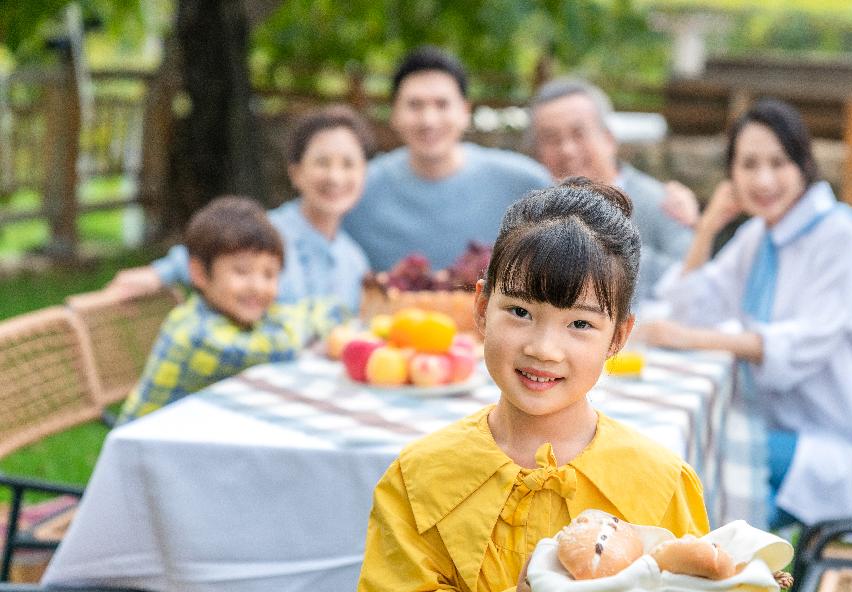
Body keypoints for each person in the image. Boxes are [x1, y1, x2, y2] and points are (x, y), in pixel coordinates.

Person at [355, 178, 768, 592]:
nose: (544, 348)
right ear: (481, 308)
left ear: (618, 336)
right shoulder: (421, 477)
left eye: (579, 324)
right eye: (522, 312)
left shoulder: (658, 481)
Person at [642, 98, 852, 529]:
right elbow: (689, 308)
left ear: (804, 165)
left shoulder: (839, 233)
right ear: (732, 174)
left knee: (719, 465)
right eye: (748, 164)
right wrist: (708, 227)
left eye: (778, 162)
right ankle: (728, 575)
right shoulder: (758, 236)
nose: (763, 179)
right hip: (787, 433)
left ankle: (740, 580)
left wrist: (692, 339)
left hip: (847, 446)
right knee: (705, 461)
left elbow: (802, 344)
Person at [106, 105, 373, 314]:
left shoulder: (354, 261)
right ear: (295, 173)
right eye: (322, 163)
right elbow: (204, 255)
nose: (335, 177)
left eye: (349, 164)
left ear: (364, 175)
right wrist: (155, 274)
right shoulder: (265, 232)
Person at [117, 196, 337, 424]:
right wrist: (312, 333)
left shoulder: (230, 315)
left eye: (269, 274)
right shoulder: (196, 334)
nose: (257, 287)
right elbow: (282, 347)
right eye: (242, 271)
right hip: (148, 451)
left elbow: (323, 310)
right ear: (200, 274)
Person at [343, 46, 551, 271]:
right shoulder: (357, 188)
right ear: (394, 113)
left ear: (464, 111)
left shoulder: (526, 184)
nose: (428, 120)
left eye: (442, 104)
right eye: (415, 105)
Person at [529, 77, 700, 301]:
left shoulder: (664, 203)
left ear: (608, 139)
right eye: (551, 139)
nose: (567, 150)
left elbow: (697, 283)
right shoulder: (534, 211)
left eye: (578, 134)